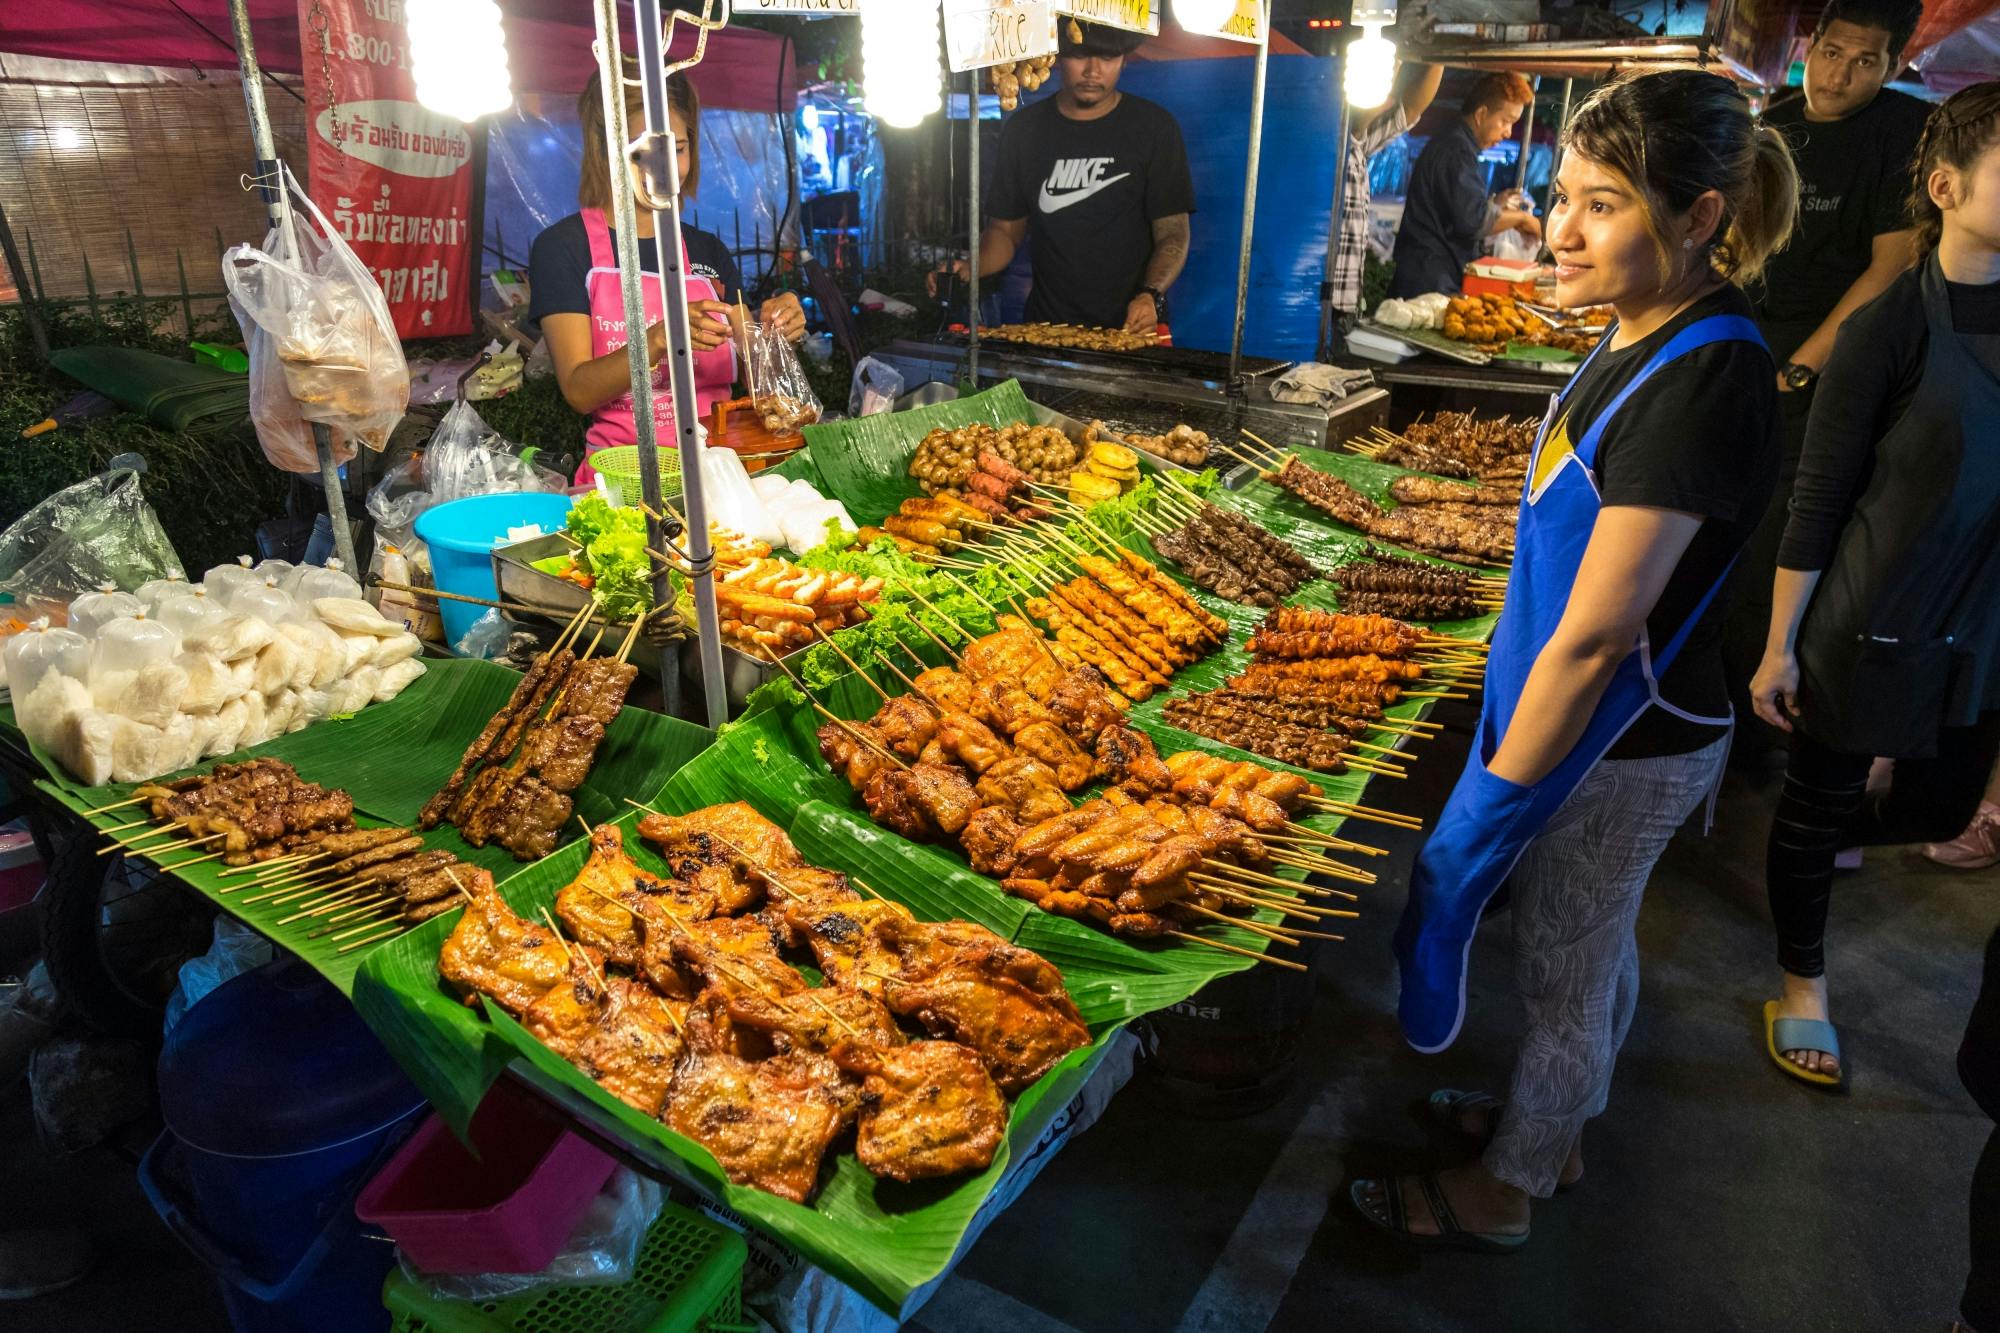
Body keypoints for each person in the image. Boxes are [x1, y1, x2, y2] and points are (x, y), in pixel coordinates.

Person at [1352, 67, 1796, 1248]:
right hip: (1590, 721)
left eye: (1600, 205)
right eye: (1559, 196)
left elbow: (1600, 634)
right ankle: (1559, 1126)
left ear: (1699, 216)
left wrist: (1489, 800)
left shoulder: (1704, 376)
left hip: (1622, 736)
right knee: (1589, 949)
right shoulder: (1642, 328)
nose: (1557, 230)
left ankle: (1506, 1187)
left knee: (1561, 970)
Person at [1750, 81, 2000, 1088]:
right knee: (1816, 804)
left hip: (1978, 614)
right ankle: (1799, 981)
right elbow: (1814, 501)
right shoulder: (1885, 329)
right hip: (1869, 606)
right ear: (1944, 186)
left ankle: (1801, 843)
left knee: (1939, 810)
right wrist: (1777, 644)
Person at [1723, 0, 1930, 751]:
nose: (1840, 74)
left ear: (1893, 65)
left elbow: (1891, 265)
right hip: (1743, 358)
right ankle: (1711, 721)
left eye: (1864, 60)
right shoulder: (1769, 120)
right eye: (1833, 51)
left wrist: (1802, 367)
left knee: (1774, 552)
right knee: (1715, 536)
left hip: (1824, 375)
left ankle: (1758, 738)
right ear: (1809, 43)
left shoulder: (1900, 135)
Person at [527, 64, 806, 483]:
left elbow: (760, 380)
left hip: (725, 474)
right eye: (644, 151)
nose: (664, 168)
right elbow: (579, 390)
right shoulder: (564, 248)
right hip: (628, 481)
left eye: (677, 149)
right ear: (606, 149)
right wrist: (659, 338)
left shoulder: (707, 250)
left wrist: (776, 334)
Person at [930, 21, 1194, 333]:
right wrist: (973, 266)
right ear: (1057, 57)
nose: (1093, 71)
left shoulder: (1154, 128)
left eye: (1107, 58)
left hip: (1131, 328)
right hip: (1048, 326)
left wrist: (1151, 295)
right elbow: (1005, 232)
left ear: (1123, 59)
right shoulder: (1024, 130)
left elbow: (1173, 233)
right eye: (1080, 55)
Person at [1385, 72, 1542, 299]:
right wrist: (1524, 219)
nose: (1508, 132)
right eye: (1505, 121)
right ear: (1481, 114)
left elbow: (1458, 209)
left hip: (1432, 275)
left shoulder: (1457, 145)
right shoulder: (1456, 151)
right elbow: (1473, 220)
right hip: (1428, 282)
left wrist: (1495, 205)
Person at [1326, 59, 1443, 333]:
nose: (1387, 86)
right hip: (1316, 309)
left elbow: (1410, 110)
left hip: (1345, 304)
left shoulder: (1356, 146)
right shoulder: (1327, 148)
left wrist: (1440, 55)